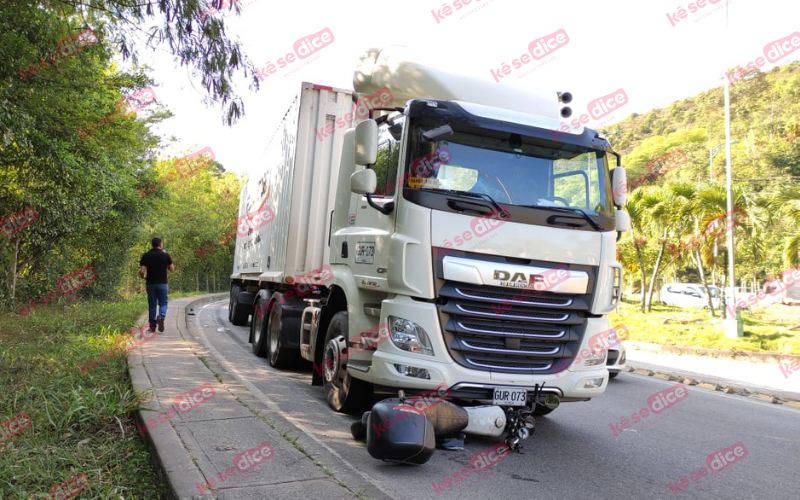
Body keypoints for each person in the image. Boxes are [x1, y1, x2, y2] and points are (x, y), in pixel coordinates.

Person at [139, 238, 174, 333]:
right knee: (163, 303)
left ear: (152, 245)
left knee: (152, 305)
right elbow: (172, 269)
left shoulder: (146, 255)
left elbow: (141, 271)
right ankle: (161, 316)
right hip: (162, 283)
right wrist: (165, 264)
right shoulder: (165, 255)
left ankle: (152, 327)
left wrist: (144, 276)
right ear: (160, 244)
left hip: (150, 284)